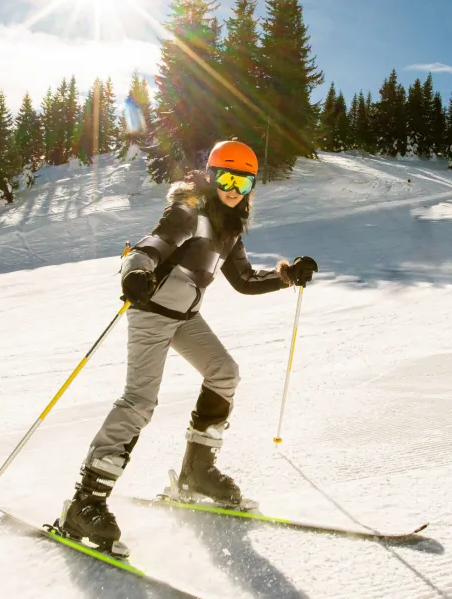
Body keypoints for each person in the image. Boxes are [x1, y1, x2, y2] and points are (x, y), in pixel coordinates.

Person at [58, 140, 318, 555]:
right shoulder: (188, 211)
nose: (234, 188)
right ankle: (84, 502)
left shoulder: (229, 227)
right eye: (227, 177)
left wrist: (287, 277)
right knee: (140, 402)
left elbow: (245, 280)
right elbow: (150, 246)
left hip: (185, 318)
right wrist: (136, 272)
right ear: (212, 175)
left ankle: (197, 473)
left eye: (244, 181)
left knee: (225, 372)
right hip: (151, 312)